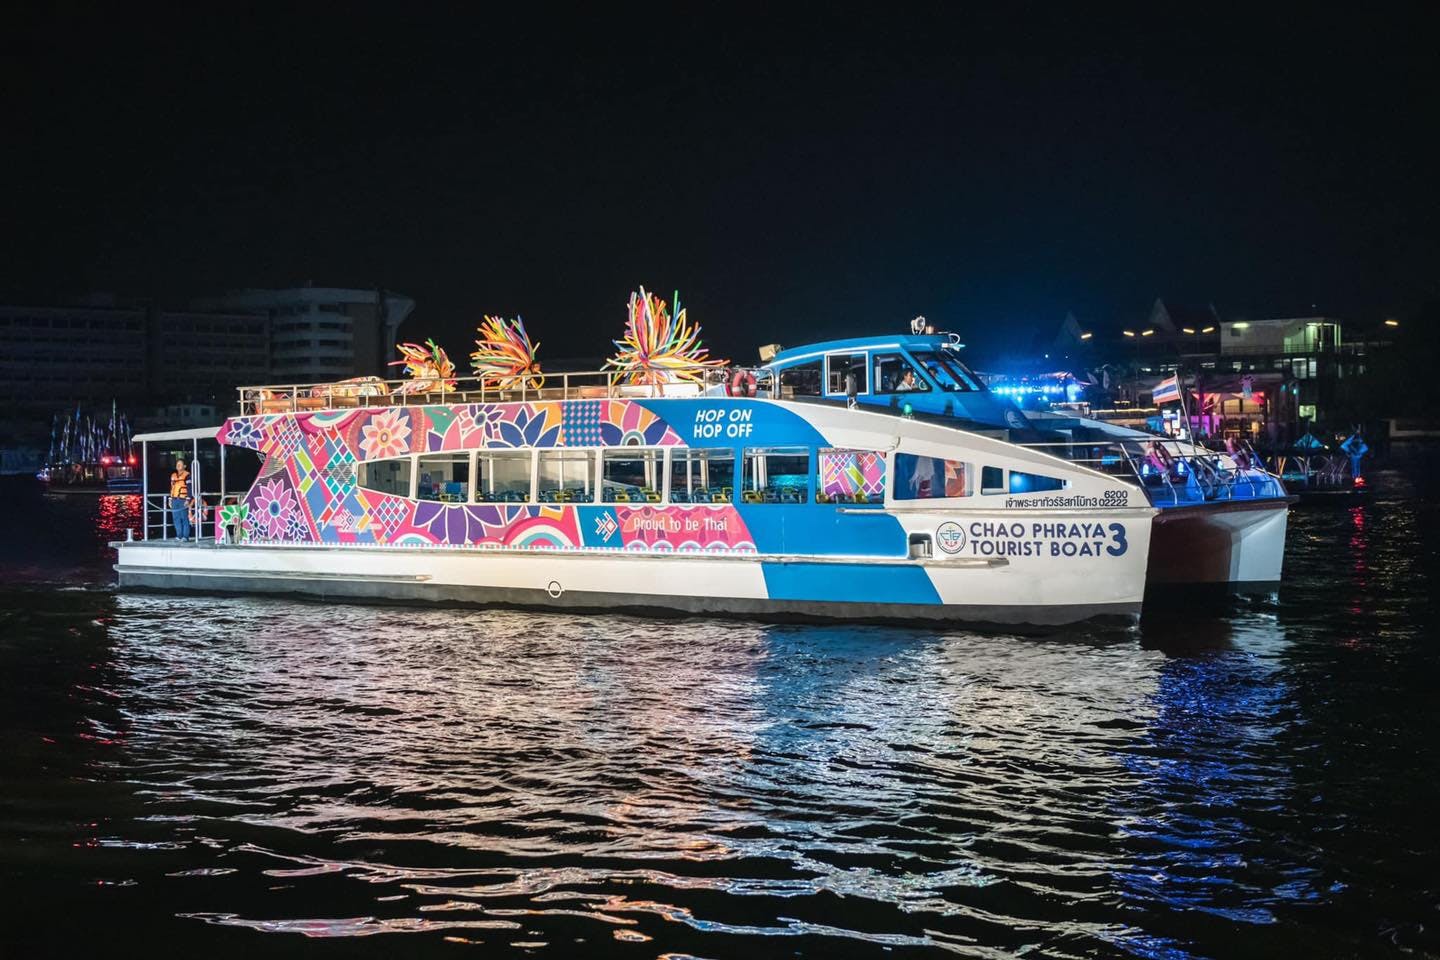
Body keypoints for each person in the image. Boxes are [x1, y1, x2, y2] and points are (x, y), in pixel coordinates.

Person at [170, 458, 192, 540]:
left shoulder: (187, 475)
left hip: (183, 499)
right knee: (176, 518)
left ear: (184, 466)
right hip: (174, 500)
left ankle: (185, 536)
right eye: (177, 464)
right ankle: (179, 535)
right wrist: (170, 499)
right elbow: (172, 488)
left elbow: (190, 488)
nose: (178, 465)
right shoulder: (173, 476)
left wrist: (188, 499)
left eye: (180, 464)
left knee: (184, 518)